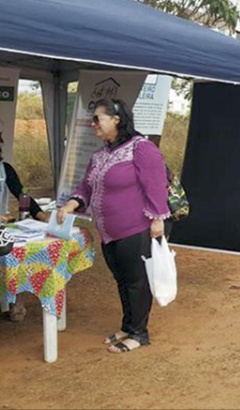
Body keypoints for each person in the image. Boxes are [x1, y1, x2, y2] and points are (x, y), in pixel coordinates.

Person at [57, 98, 169, 354]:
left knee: (136, 282)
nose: (92, 124)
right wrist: (71, 205)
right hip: (108, 233)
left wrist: (157, 219)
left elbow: (155, 183)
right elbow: (86, 186)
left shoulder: (141, 148)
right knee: (123, 280)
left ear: (116, 120)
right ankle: (128, 326)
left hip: (136, 229)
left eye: (97, 119)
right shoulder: (100, 155)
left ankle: (139, 333)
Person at [0, 120, 50, 323]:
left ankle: (14, 301)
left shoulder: (5, 170)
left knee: (15, 256)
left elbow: (22, 194)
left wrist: (40, 215)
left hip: (2, 230)